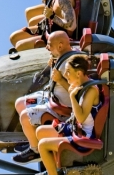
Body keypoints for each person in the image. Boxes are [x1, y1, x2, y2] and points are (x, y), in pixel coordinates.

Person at [31, 55, 102, 175]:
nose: (65, 75)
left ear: (79, 73)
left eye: (68, 72)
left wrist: (71, 97)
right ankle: (56, 170)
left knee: (43, 145)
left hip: (84, 137)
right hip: (75, 129)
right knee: (40, 132)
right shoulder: (82, 85)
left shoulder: (91, 90)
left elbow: (81, 118)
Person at [12, 31, 76, 163]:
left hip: (61, 108)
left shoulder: (71, 65)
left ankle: (35, 151)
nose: (47, 47)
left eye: (49, 45)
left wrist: (61, 80)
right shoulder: (63, 55)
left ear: (60, 45)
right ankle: (33, 139)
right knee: (20, 103)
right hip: (49, 97)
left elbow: (79, 93)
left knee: (25, 116)